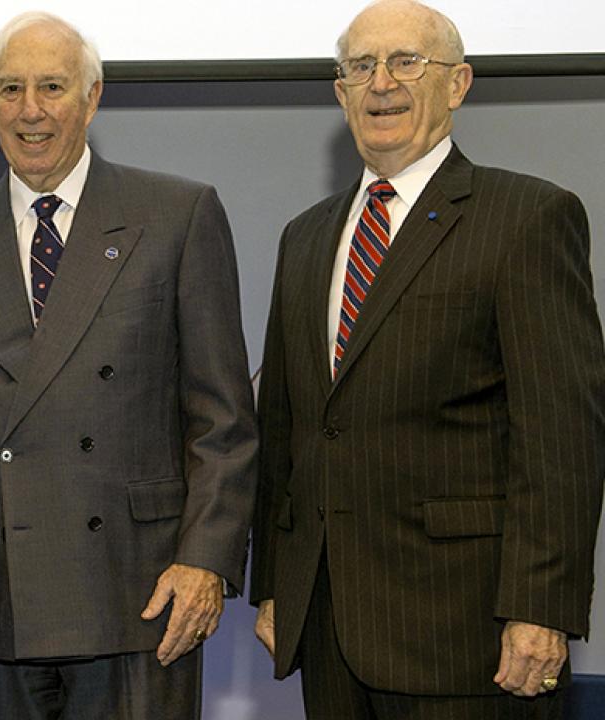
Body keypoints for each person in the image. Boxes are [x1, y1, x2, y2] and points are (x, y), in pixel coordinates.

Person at [250, 1, 605, 717]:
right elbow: (287, 425)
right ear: (340, 91)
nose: (382, 83)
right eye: (361, 67)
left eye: (407, 62)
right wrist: (273, 582)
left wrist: (542, 608)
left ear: (459, 83)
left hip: (468, 635)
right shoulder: (306, 237)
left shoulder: (527, 218)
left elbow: (561, 438)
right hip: (326, 628)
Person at [0, 11, 258, 719]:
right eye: (10, 89)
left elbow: (222, 419)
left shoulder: (178, 214)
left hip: (141, 591)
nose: (30, 110)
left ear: (92, 98)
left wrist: (207, 562)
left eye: (53, 87)